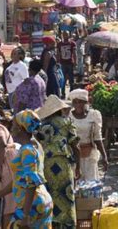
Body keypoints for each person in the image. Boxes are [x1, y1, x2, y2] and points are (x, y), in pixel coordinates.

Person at [0, 110, 53, 228]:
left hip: (32, 205)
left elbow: (31, 183)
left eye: (14, 125)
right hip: (39, 201)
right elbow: (19, 179)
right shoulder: (34, 146)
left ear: (20, 129)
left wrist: (25, 216)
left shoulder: (27, 151)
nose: (11, 128)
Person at [36, 95, 80, 228]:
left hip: (46, 165)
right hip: (62, 165)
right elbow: (75, 147)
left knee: (50, 196)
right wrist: (78, 167)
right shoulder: (66, 122)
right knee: (65, 195)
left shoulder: (41, 126)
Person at [69, 89, 108, 181]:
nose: (78, 105)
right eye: (75, 102)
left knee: (90, 185)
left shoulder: (94, 115)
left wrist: (104, 156)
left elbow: (97, 138)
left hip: (89, 154)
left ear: (86, 102)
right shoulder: (68, 117)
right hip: (73, 155)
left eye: (81, 102)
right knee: (76, 183)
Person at [58, 31, 76, 98]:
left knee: (71, 79)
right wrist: (58, 62)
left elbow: (74, 53)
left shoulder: (72, 43)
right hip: (62, 63)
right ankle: (63, 93)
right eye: (64, 35)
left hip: (70, 63)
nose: (65, 36)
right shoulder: (59, 44)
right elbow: (58, 53)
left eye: (67, 35)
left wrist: (75, 62)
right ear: (62, 35)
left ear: (69, 35)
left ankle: (71, 94)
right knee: (63, 79)